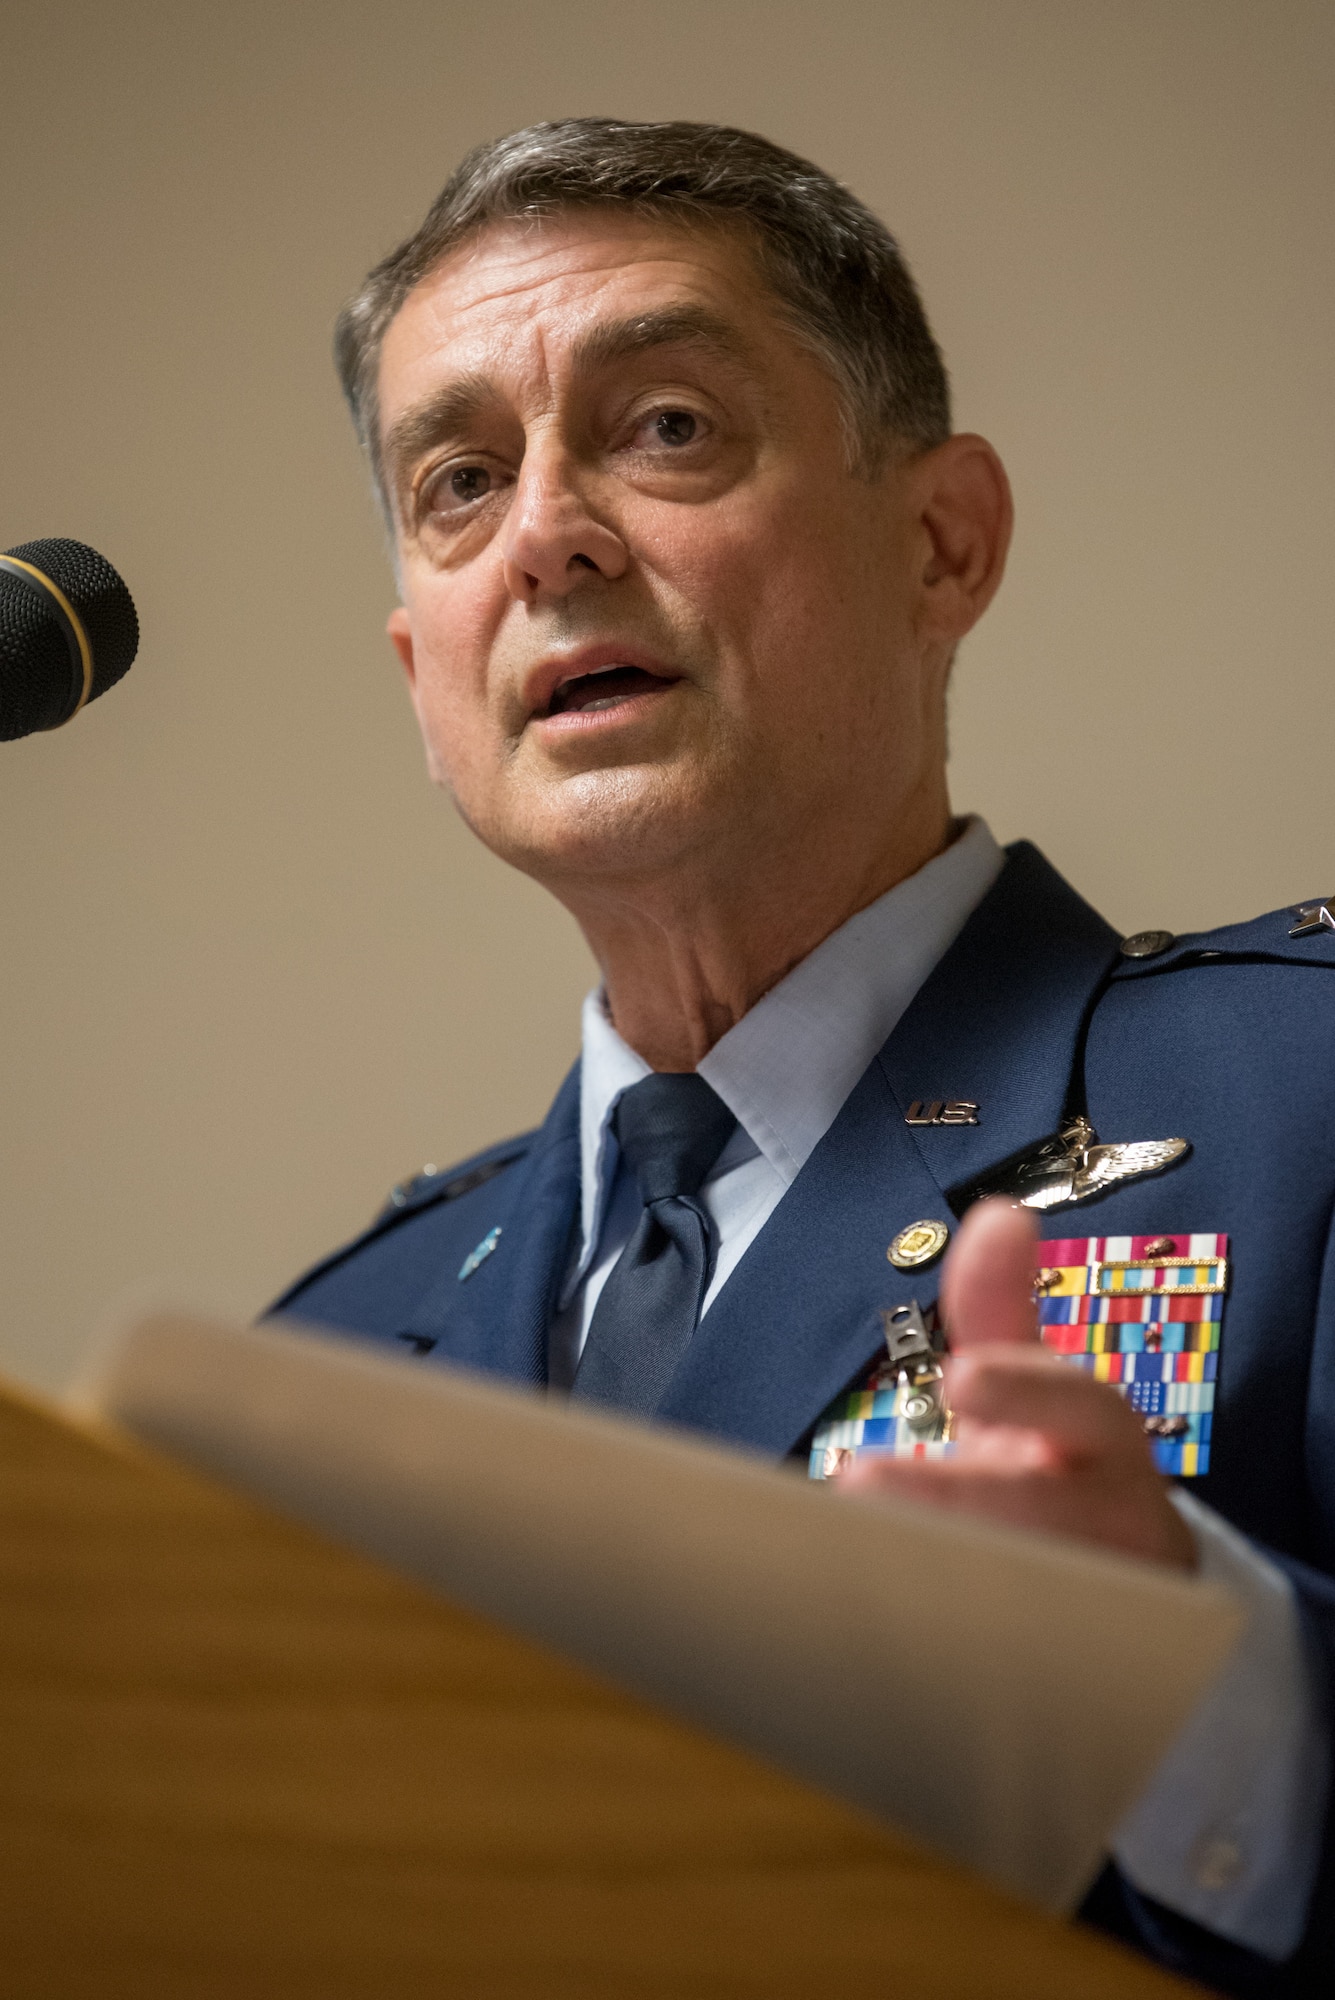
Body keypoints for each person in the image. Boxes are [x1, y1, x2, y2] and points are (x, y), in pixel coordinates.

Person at [271, 119, 1335, 1994]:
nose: (547, 537)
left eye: (666, 426)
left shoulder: (1299, 1101)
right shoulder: (331, 1364)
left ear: (945, 543)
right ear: (419, 677)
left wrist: (1200, 1692)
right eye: (457, 483)